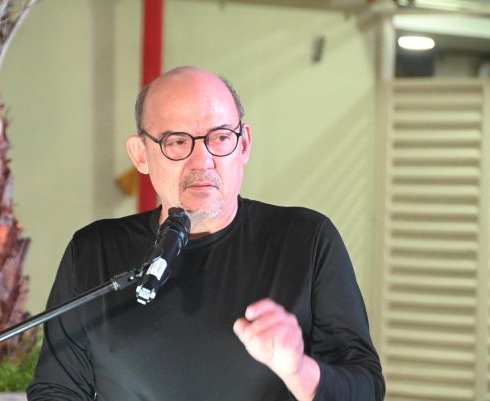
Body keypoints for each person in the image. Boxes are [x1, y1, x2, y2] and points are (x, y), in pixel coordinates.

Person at [27, 66, 385, 401]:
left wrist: (299, 371)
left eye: (220, 137)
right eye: (177, 142)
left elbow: (367, 388)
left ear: (244, 144)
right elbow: (56, 390)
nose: (202, 161)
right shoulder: (94, 252)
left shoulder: (306, 241)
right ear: (141, 155)